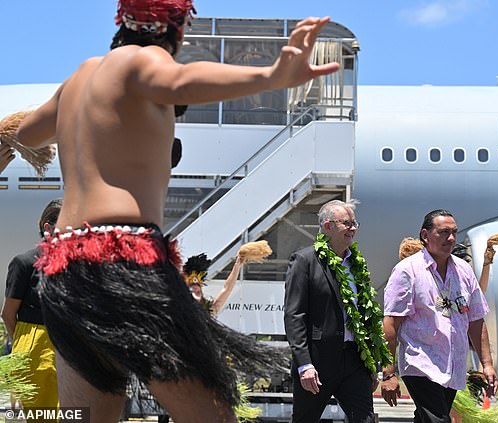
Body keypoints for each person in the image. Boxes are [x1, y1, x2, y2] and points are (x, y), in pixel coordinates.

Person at [7, 0, 339, 420]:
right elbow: (180, 83)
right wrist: (271, 75)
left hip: (65, 269)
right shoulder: (142, 61)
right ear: (175, 29)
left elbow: (29, 134)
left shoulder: (80, 77)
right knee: (212, 416)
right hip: (122, 257)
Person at [381, 209, 498, 423]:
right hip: (420, 366)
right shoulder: (407, 271)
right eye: (444, 232)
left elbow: (476, 320)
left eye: (454, 232)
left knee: (430, 419)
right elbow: (390, 324)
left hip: (453, 368)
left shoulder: (463, 270)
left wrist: (487, 364)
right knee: (438, 420)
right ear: (425, 235)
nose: (451, 238)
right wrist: (388, 373)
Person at [284, 200, 391, 423]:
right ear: (327, 226)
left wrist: (372, 364)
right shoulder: (305, 260)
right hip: (318, 361)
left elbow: (366, 317)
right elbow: (294, 315)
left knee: (366, 420)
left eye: (354, 223)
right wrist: (304, 364)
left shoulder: (356, 264)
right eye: (347, 223)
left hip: (354, 360)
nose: (353, 228)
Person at [1, 199, 62, 415]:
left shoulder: (77, 266)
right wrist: (22, 347)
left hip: (70, 347)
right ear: (48, 227)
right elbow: (8, 314)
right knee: (42, 416)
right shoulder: (24, 263)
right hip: (34, 344)